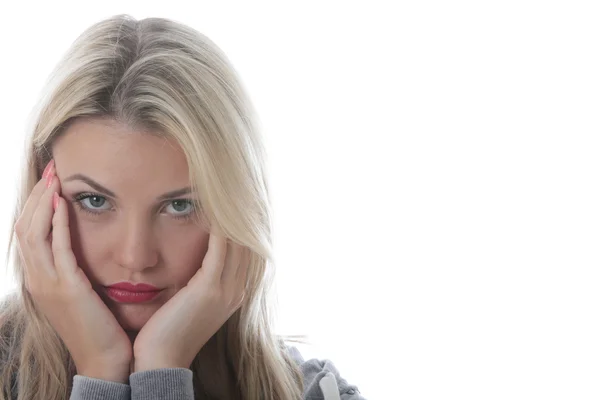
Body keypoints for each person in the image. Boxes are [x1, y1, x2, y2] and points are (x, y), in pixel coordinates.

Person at [0, 14, 366, 400]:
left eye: (179, 206)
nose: (136, 257)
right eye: (94, 201)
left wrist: (162, 370)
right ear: (40, 198)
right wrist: (101, 370)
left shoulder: (314, 393)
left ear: (236, 210)